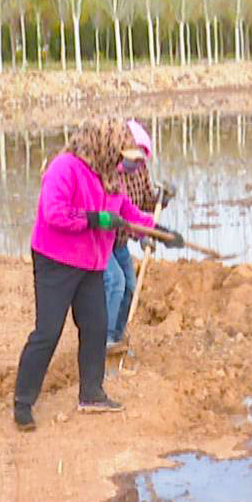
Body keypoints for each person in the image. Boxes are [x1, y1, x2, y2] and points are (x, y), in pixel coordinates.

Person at [13, 119, 184, 432]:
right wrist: (95, 219)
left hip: (91, 263)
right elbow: (54, 212)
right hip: (56, 261)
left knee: (95, 327)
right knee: (47, 332)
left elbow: (127, 213)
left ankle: (91, 394)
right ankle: (23, 403)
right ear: (105, 146)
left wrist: (159, 231)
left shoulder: (110, 175)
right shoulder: (65, 167)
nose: (123, 162)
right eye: (121, 154)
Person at [104, 120, 172, 355]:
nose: (137, 164)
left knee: (130, 286)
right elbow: (114, 212)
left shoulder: (139, 171)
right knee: (115, 283)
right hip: (102, 241)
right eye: (134, 158)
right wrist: (140, 232)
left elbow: (144, 203)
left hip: (121, 242)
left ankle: (117, 336)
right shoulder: (107, 173)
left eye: (141, 159)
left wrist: (161, 200)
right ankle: (104, 339)